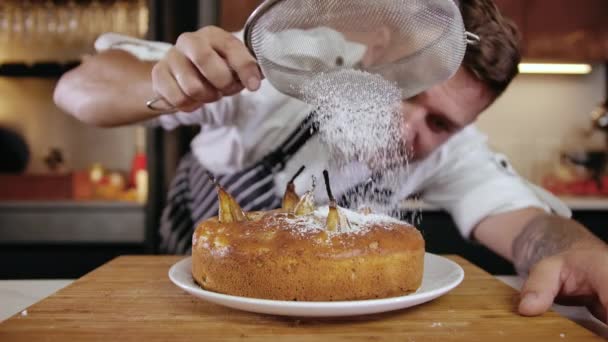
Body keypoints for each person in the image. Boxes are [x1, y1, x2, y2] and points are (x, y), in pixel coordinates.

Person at [54, 0, 608, 323]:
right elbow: (77, 91)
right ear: (376, 53)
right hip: (196, 314)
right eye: (408, 91)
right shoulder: (288, 66)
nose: (410, 128)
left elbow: (530, 226)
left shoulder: (452, 152)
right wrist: (172, 81)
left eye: (440, 123)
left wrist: (583, 252)